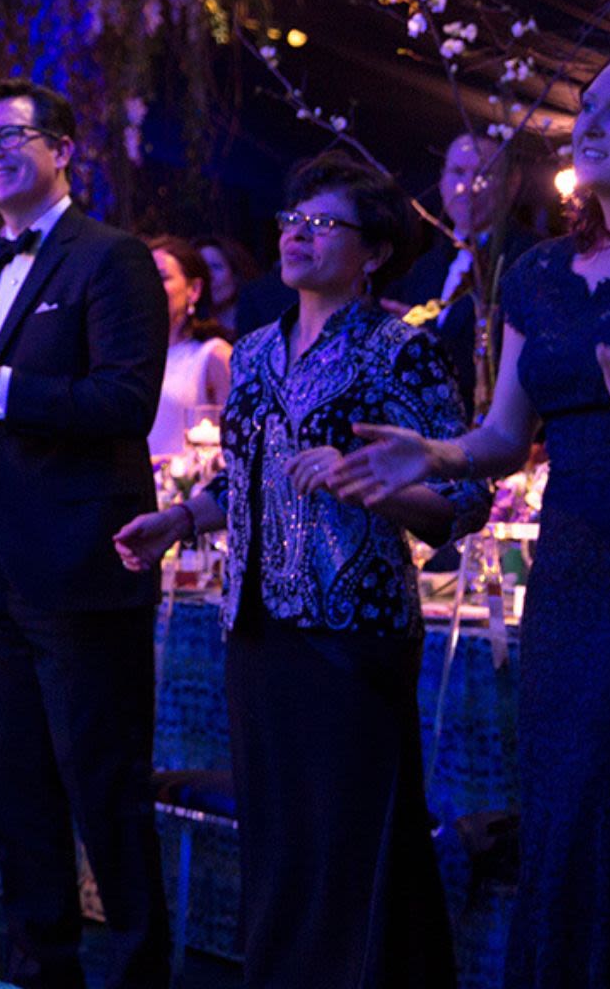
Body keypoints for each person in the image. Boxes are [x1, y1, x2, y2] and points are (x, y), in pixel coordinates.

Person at [332, 46, 610, 987]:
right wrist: (435, 453)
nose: (589, 124)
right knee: (564, 793)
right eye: (586, 109)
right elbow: (505, 433)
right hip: (572, 571)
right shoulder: (540, 272)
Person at [119, 153, 486, 987]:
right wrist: (177, 519)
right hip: (256, 628)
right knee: (279, 843)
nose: (298, 236)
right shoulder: (250, 352)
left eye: (325, 225)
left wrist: (380, 489)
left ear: (375, 253)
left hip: (350, 630)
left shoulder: (400, 352)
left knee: (350, 845)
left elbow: (465, 498)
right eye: (293, 220)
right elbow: (241, 472)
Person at [0, 78, 170, 989]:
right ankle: (39, 971)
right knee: (15, 793)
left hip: (80, 562)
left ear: (63, 148)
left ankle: (138, 975)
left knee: (106, 791)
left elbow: (127, 402)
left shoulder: (113, 258)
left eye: (10, 135)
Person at [389, 130, 540, 393]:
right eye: (458, 172)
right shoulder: (422, 266)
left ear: (512, 183)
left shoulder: (529, 260)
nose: (469, 187)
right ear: (441, 180)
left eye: (485, 174)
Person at [146, 235, 233, 459]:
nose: (149, 286)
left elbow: (238, 445)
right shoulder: (128, 357)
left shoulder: (212, 355)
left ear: (193, 289)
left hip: (187, 489)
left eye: (163, 277)